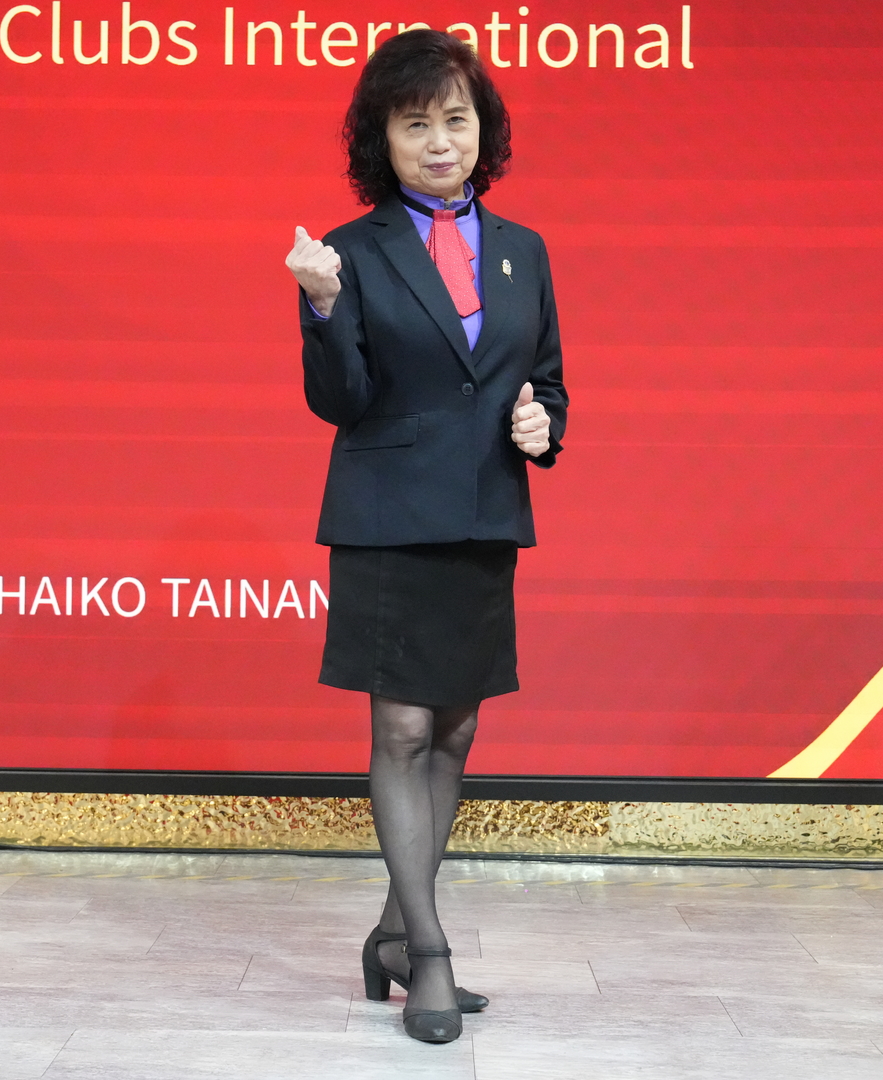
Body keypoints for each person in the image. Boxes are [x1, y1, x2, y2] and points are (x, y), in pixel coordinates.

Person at [283, 29, 567, 1045]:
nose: (440, 141)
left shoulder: (524, 249)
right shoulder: (349, 254)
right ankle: (431, 951)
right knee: (402, 730)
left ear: (483, 130)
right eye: (416, 124)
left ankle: (394, 936)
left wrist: (542, 427)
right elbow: (342, 401)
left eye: (456, 119)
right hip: (390, 520)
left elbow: (546, 382)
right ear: (383, 140)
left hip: (484, 517)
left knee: (454, 732)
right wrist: (322, 306)